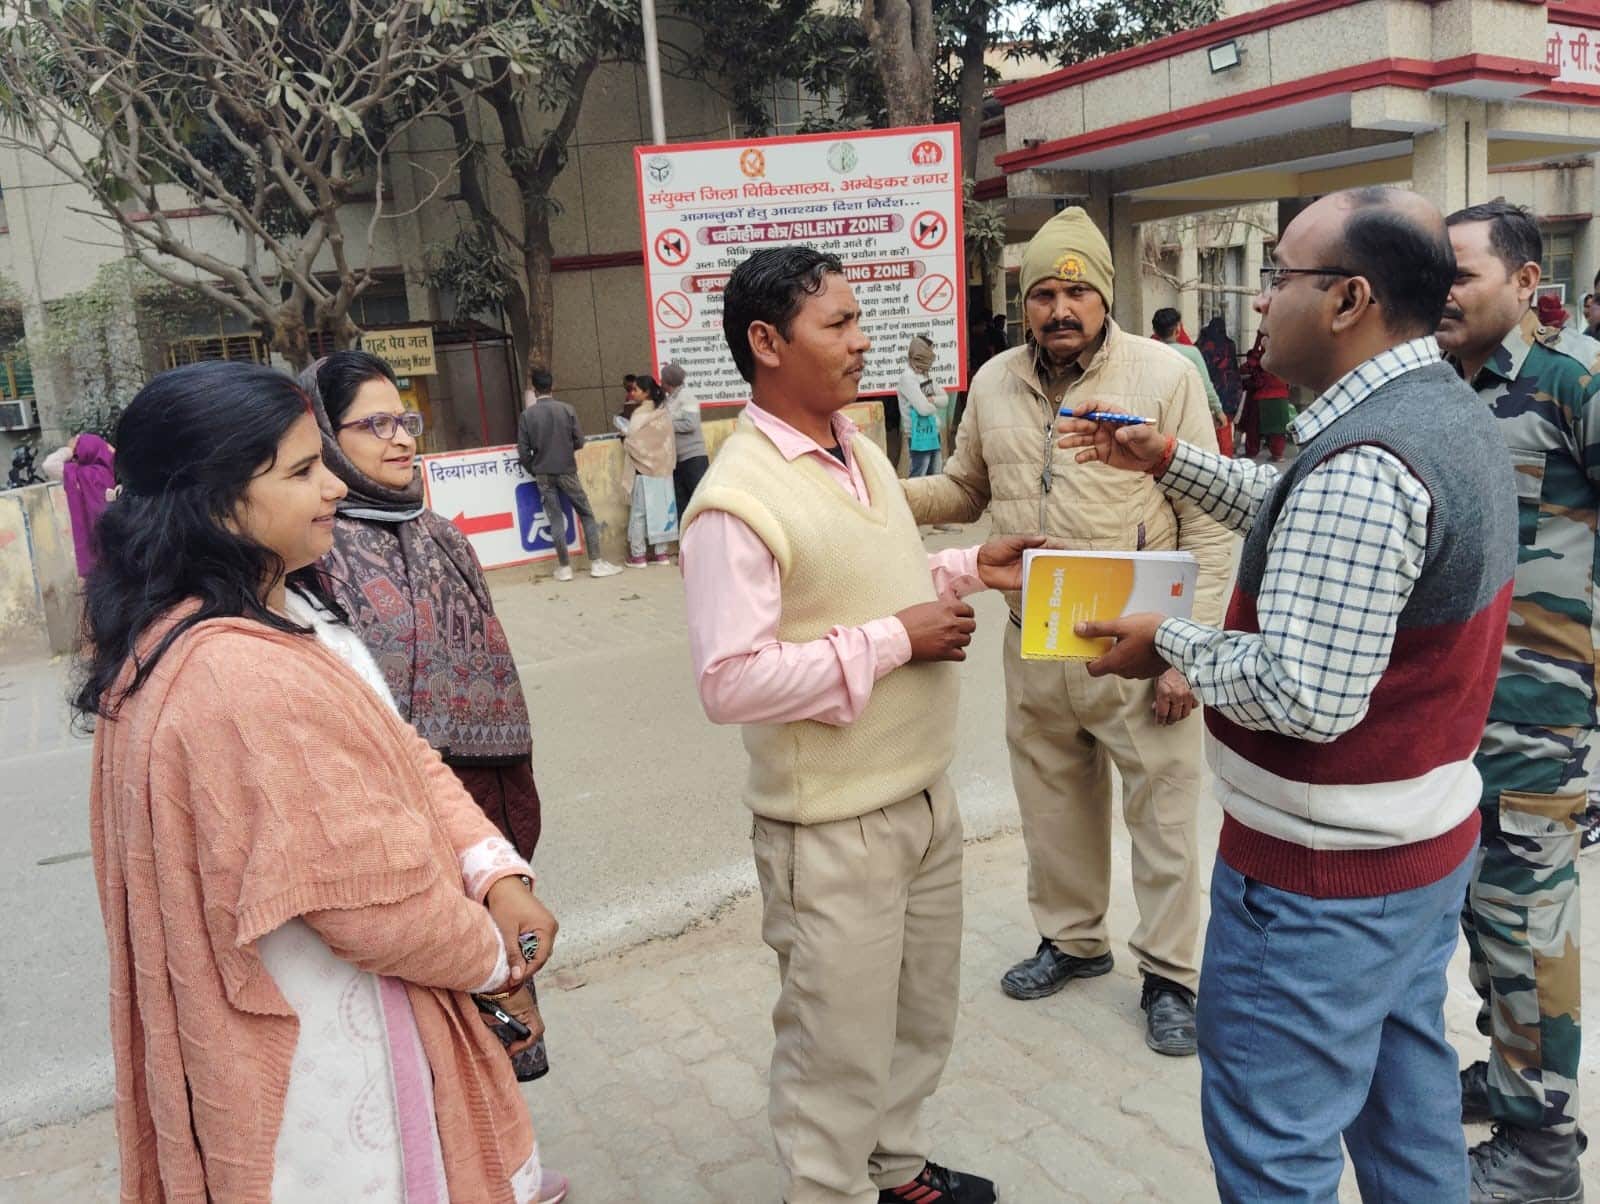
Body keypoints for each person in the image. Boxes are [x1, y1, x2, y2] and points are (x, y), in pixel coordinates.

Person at [1057, 185, 1516, 1203]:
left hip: (1322, 887)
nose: (1260, 301)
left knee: (1275, 1149)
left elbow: (1305, 696)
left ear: (1349, 298)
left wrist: (1166, 642)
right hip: (1413, 855)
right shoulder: (1438, 409)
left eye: (1278, 276)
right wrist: (1171, 461)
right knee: (1407, 1118)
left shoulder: (1366, 460)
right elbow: (1303, 513)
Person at [77, 360, 563, 1202]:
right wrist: (496, 960)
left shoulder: (279, 611)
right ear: (217, 499)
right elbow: (371, 906)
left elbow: (402, 750)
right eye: (303, 471)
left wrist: (494, 870)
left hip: (369, 1001)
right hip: (339, 1063)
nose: (334, 485)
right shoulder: (236, 670)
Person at [682, 245, 1039, 1204]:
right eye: (837, 323)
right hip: (830, 826)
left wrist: (967, 569)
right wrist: (893, 641)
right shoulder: (736, 502)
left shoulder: (860, 449)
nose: (861, 340)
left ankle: (896, 1169)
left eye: (857, 320)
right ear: (767, 343)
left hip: (921, 796)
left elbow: (875, 580)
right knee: (833, 1050)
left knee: (918, 1015)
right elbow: (730, 682)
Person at [903, 206, 1234, 1057]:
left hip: (1141, 645)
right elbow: (965, 489)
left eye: (1077, 292)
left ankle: (1171, 974)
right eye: (1045, 292)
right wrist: (872, 492)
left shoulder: (1163, 375)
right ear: (1025, 302)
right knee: (1052, 805)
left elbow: (1210, 521)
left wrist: (1185, 653)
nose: (1060, 308)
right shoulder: (992, 381)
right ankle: (1073, 939)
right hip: (1036, 638)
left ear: (1104, 297)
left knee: (1163, 816)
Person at [1437, 199, 1600, 1204]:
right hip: (1455, 715)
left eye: (1460, 272)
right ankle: (1511, 1077)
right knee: (1483, 917)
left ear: (1526, 281)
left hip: (1539, 719)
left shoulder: (1570, 382)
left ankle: (1542, 1151)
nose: (1442, 290)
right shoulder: (1438, 389)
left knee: (1529, 925)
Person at [303, 351, 545, 860]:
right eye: (376, 424)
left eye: (405, 421)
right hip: (379, 803)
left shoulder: (442, 536)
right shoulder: (310, 549)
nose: (403, 440)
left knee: (500, 906)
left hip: (478, 786)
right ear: (324, 436)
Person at [517, 366, 622, 581]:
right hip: (567, 470)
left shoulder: (527, 415)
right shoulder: (567, 409)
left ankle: (564, 568)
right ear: (552, 386)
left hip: (543, 473)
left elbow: (523, 451)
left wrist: (534, 469)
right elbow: (579, 441)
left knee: (555, 519)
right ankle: (596, 563)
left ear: (535, 390)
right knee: (586, 514)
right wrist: (565, 451)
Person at [621, 373, 679, 566]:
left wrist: (625, 439)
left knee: (639, 514)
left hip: (643, 470)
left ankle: (638, 555)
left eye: (635, 389)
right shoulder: (663, 413)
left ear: (646, 392)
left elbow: (634, 442)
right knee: (662, 510)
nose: (632, 393)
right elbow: (667, 441)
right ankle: (661, 553)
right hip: (663, 469)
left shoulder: (640, 414)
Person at [59, 431, 116, 577]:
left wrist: (69, 450)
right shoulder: (114, 470)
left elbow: (48, 465)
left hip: (92, 539)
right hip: (115, 536)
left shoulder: (75, 474)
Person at [1237, 329, 1294, 461]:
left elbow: (1248, 366)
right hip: (1280, 395)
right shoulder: (1284, 353)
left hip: (1262, 395)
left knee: (1253, 427)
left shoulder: (1260, 355)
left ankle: (1251, 452)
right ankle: (1277, 454)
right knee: (1278, 429)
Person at [661, 361, 709, 514]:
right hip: (678, 460)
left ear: (668, 381)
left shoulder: (686, 396)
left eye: (663, 379)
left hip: (693, 458)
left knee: (699, 500)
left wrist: (666, 425)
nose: (661, 382)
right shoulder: (669, 399)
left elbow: (690, 424)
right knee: (682, 504)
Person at [898, 334, 944, 478]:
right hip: (918, 435)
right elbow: (923, 409)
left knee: (935, 476)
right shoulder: (908, 377)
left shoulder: (924, 376)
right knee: (919, 476)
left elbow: (944, 400)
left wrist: (932, 401)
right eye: (929, 350)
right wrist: (934, 404)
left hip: (932, 431)